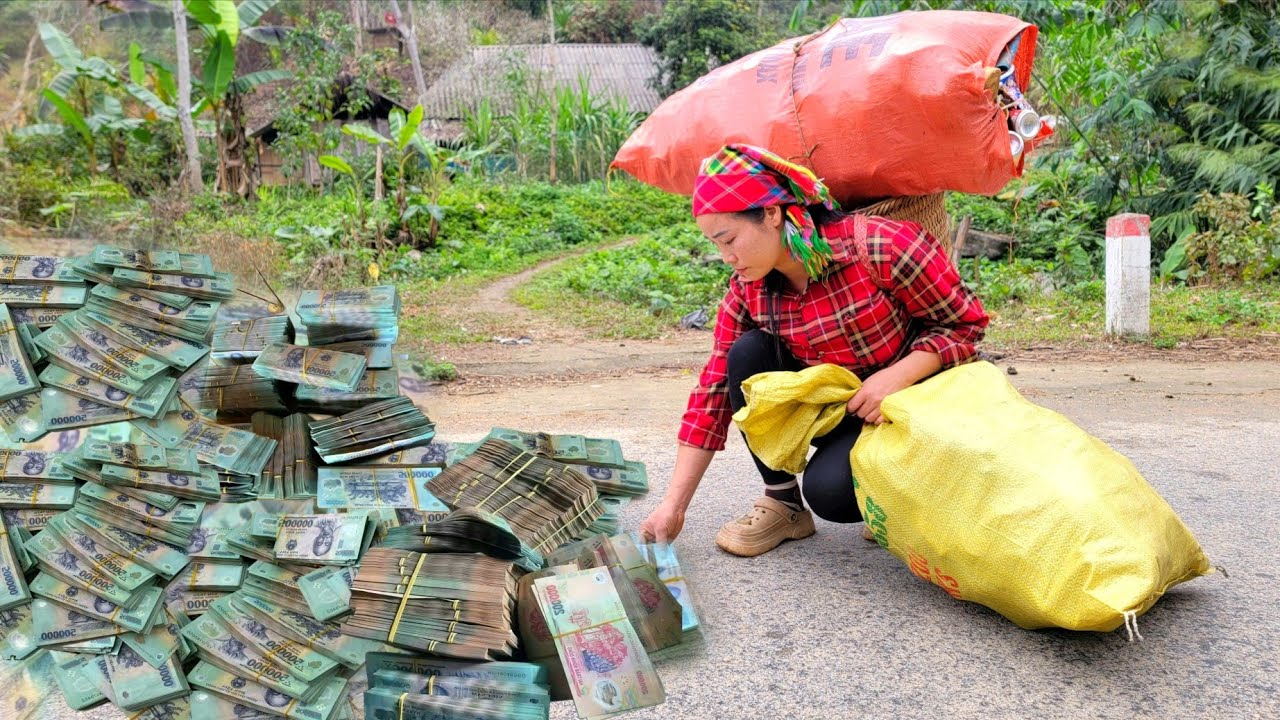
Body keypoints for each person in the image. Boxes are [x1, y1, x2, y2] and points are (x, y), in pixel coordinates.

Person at [639, 144, 989, 557]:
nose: (726, 257)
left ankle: (907, 491)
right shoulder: (748, 289)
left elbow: (966, 324)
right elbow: (713, 392)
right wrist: (672, 506)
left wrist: (898, 377)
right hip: (844, 409)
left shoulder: (880, 247)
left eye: (729, 239)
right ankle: (784, 504)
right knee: (747, 354)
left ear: (772, 213)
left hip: (912, 403)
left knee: (833, 495)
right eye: (716, 245)